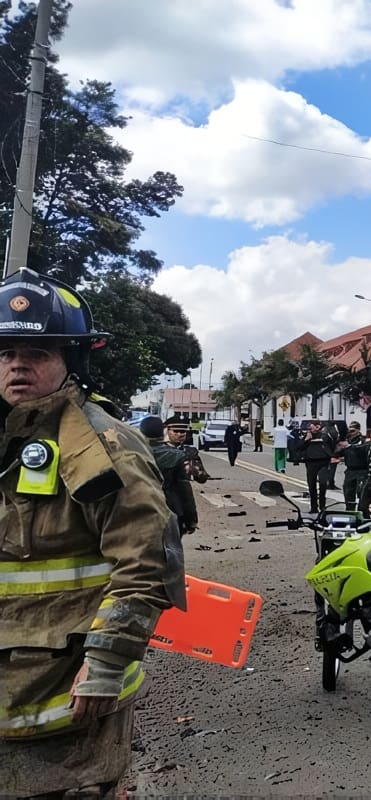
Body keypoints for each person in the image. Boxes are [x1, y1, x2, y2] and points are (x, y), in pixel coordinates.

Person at [0, 268, 186, 798]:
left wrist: (106, 663)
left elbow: (147, 561)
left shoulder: (102, 446)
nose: (18, 364)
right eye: (6, 352)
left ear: (70, 360)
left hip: (66, 704)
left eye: (37, 352)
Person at [144, 416, 207, 536]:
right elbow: (184, 488)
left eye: (182, 431)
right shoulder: (175, 454)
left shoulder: (190, 452)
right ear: (166, 431)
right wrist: (191, 519)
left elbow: (201, 478)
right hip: (166, 505)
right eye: (176, 431)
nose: (179, 434)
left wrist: (195, 468)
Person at [299, 419, 337, 514]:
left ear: (319, 426)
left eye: (315, 425)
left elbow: (332, 446)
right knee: (312, 485)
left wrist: (331, 456)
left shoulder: (324, 436)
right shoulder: (307, 436)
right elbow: (299, 447)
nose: (313, 427)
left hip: (323, 462)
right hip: (310, 463)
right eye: (311, 425)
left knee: (323, 484)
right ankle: (313, 507)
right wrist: (306, 440)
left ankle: (322, 506)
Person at [341, 421, 370, 511]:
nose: (351, 433)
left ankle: (363, 512)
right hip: (350, 470)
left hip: (361, 470)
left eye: (353, 431)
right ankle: (350, 511)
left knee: (361, 493)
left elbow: (363, 449)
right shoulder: (347, 439)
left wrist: (350, 446)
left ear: (358, 430)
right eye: (350, 431)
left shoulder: (363, 440)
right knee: (348, 492)